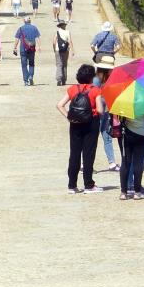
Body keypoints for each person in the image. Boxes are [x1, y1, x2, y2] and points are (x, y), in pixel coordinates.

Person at [56, 64, 104, 194]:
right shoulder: (95, 90)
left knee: (74, 154)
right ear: (91, 77)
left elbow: (59, 105)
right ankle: (88, 184)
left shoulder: (72, 89)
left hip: (75, 123)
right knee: (88, 154)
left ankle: (72, 185)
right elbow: (100, 110)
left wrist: (69, 116)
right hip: (91, 124)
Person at [94, 59, 121, 173]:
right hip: (97, 114)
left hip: (106, 112)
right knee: (92, 139)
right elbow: (94, 95)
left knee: (107, 137)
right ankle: (85, 165)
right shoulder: (96, 80)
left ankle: (112, 163)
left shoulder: (108, 80)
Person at [12, 16, 41, 86]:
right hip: (32, 48)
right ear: (30, 21)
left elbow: (17, 39)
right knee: (31, 63)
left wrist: (15, 47)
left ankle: (26, 81)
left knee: (24, 65)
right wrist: (39, 46)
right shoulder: (34, 28)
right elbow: (37, 38)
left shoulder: (21, 28)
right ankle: (31, 76)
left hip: (23, 49)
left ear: (24, 21)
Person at [53, 21, 72, 85]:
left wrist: (54, 49)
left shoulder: (57, 32)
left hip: (58, 50)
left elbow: (54, 42)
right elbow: (70, 41)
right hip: (65, 50)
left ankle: (59, 79)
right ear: (64, 25)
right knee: (64, 64)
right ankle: (64, 80)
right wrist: (72, 50)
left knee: (59, 64)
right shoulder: (67, 32)